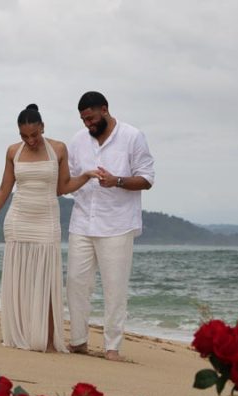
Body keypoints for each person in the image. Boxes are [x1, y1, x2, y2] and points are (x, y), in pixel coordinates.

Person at [0, 104, 93, 353]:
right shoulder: (13, 152)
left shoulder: (58, 149)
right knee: (20, 281)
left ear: (42, 128)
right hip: (18, 220)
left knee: (47, 282)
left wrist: (87, 176)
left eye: (34, 134)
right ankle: (21, 333)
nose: (30, 140)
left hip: (47, 221)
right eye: (24, 136)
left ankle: (48, 341)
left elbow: (62, 188)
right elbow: (4, 190)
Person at [65, 91, 155, 361]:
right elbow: (68, 181)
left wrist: (116, 181)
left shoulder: (132, 136)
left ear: (104, 110)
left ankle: (112, 347)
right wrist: (85, 177)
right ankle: (79, 341)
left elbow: (147, 179)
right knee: (76, 283)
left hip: (117, 223)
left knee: (115, 288)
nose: (87, 124)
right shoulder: (78, 141)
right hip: (82, 221)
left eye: (91, 118)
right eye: (83, 120)